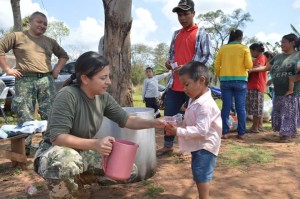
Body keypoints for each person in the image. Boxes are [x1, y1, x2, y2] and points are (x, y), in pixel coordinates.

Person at [33, 51, 166, 198]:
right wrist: (96, 144)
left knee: (130, 171)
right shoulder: (67, 95)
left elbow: (127, 120)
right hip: (54, 152)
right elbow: (57, 137)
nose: (108, 82)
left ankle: (78, 180)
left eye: (108, 76)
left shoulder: (103, 98)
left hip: (81, 151)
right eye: (103, 77)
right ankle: (64, 190)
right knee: (67, 161)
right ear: (85, 78)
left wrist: (155, 122)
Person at [0, 11, 69, 151]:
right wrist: (7, 69)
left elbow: (63, 55)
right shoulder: (17, 36)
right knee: (24, 112)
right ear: (30, 22)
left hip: (46, 79)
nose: (42, 25)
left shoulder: (50, 41)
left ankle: (49, 144)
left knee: (49, 112)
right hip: (25, 79)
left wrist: (56, 70)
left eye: (45, 24)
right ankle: (25, 148)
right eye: (39, 22)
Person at [158, 0, 213, 156]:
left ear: (193, 13)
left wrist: (191, 68)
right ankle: (168, 145)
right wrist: (168, 63)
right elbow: (171, 55)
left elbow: (209, 57)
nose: (182, 18)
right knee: (169, 116)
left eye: (186, 14)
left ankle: (189, 148)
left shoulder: (202, 33)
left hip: (193, 86)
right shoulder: (176, 34)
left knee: (191, 119)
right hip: (175, 83)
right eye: (179, 15)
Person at [165, 61, 222, 199]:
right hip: (198, 143)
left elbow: (201, 130)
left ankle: (204, 197)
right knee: (198, 171)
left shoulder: (205, 105)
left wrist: (178, 131)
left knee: (201, 173)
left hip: (206, 145)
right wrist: (177, 120)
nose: (184, 89)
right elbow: (190, 117)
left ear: (201, 80)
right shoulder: (194, 98)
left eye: (186, 84)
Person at [250, 34, 300, 142]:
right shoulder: (277, 57)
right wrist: (251, 70)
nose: (281, 44)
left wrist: (294, 79)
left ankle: (286, 134)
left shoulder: (298, 55)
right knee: (280, 112)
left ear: (292, 43)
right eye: (281, 42)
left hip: (291, 91)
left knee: (288, 112)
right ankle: (288, 132)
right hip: (278, 91)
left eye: (284, 42)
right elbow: (266, 68)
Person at [215, 29, 253, 140]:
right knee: (240, 107)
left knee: (226, 107)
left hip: (225, 80)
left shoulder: (223, 48)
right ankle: (241, 133)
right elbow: (249, 65)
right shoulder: (244, 48)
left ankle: (225, 132)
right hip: (241, 81)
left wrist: (220, 76)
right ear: (240, 37)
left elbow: (217, 66)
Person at [246, 43, 268, 133]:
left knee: (256, 106)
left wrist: (249, 70)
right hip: (256, 85)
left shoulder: (261, 58)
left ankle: (255, 127)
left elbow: (260, 67)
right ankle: (259, 125)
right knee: (258, 106)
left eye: (251, 51)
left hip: (256, 85)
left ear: (255, 50)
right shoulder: (260, 58)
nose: (250, 53)